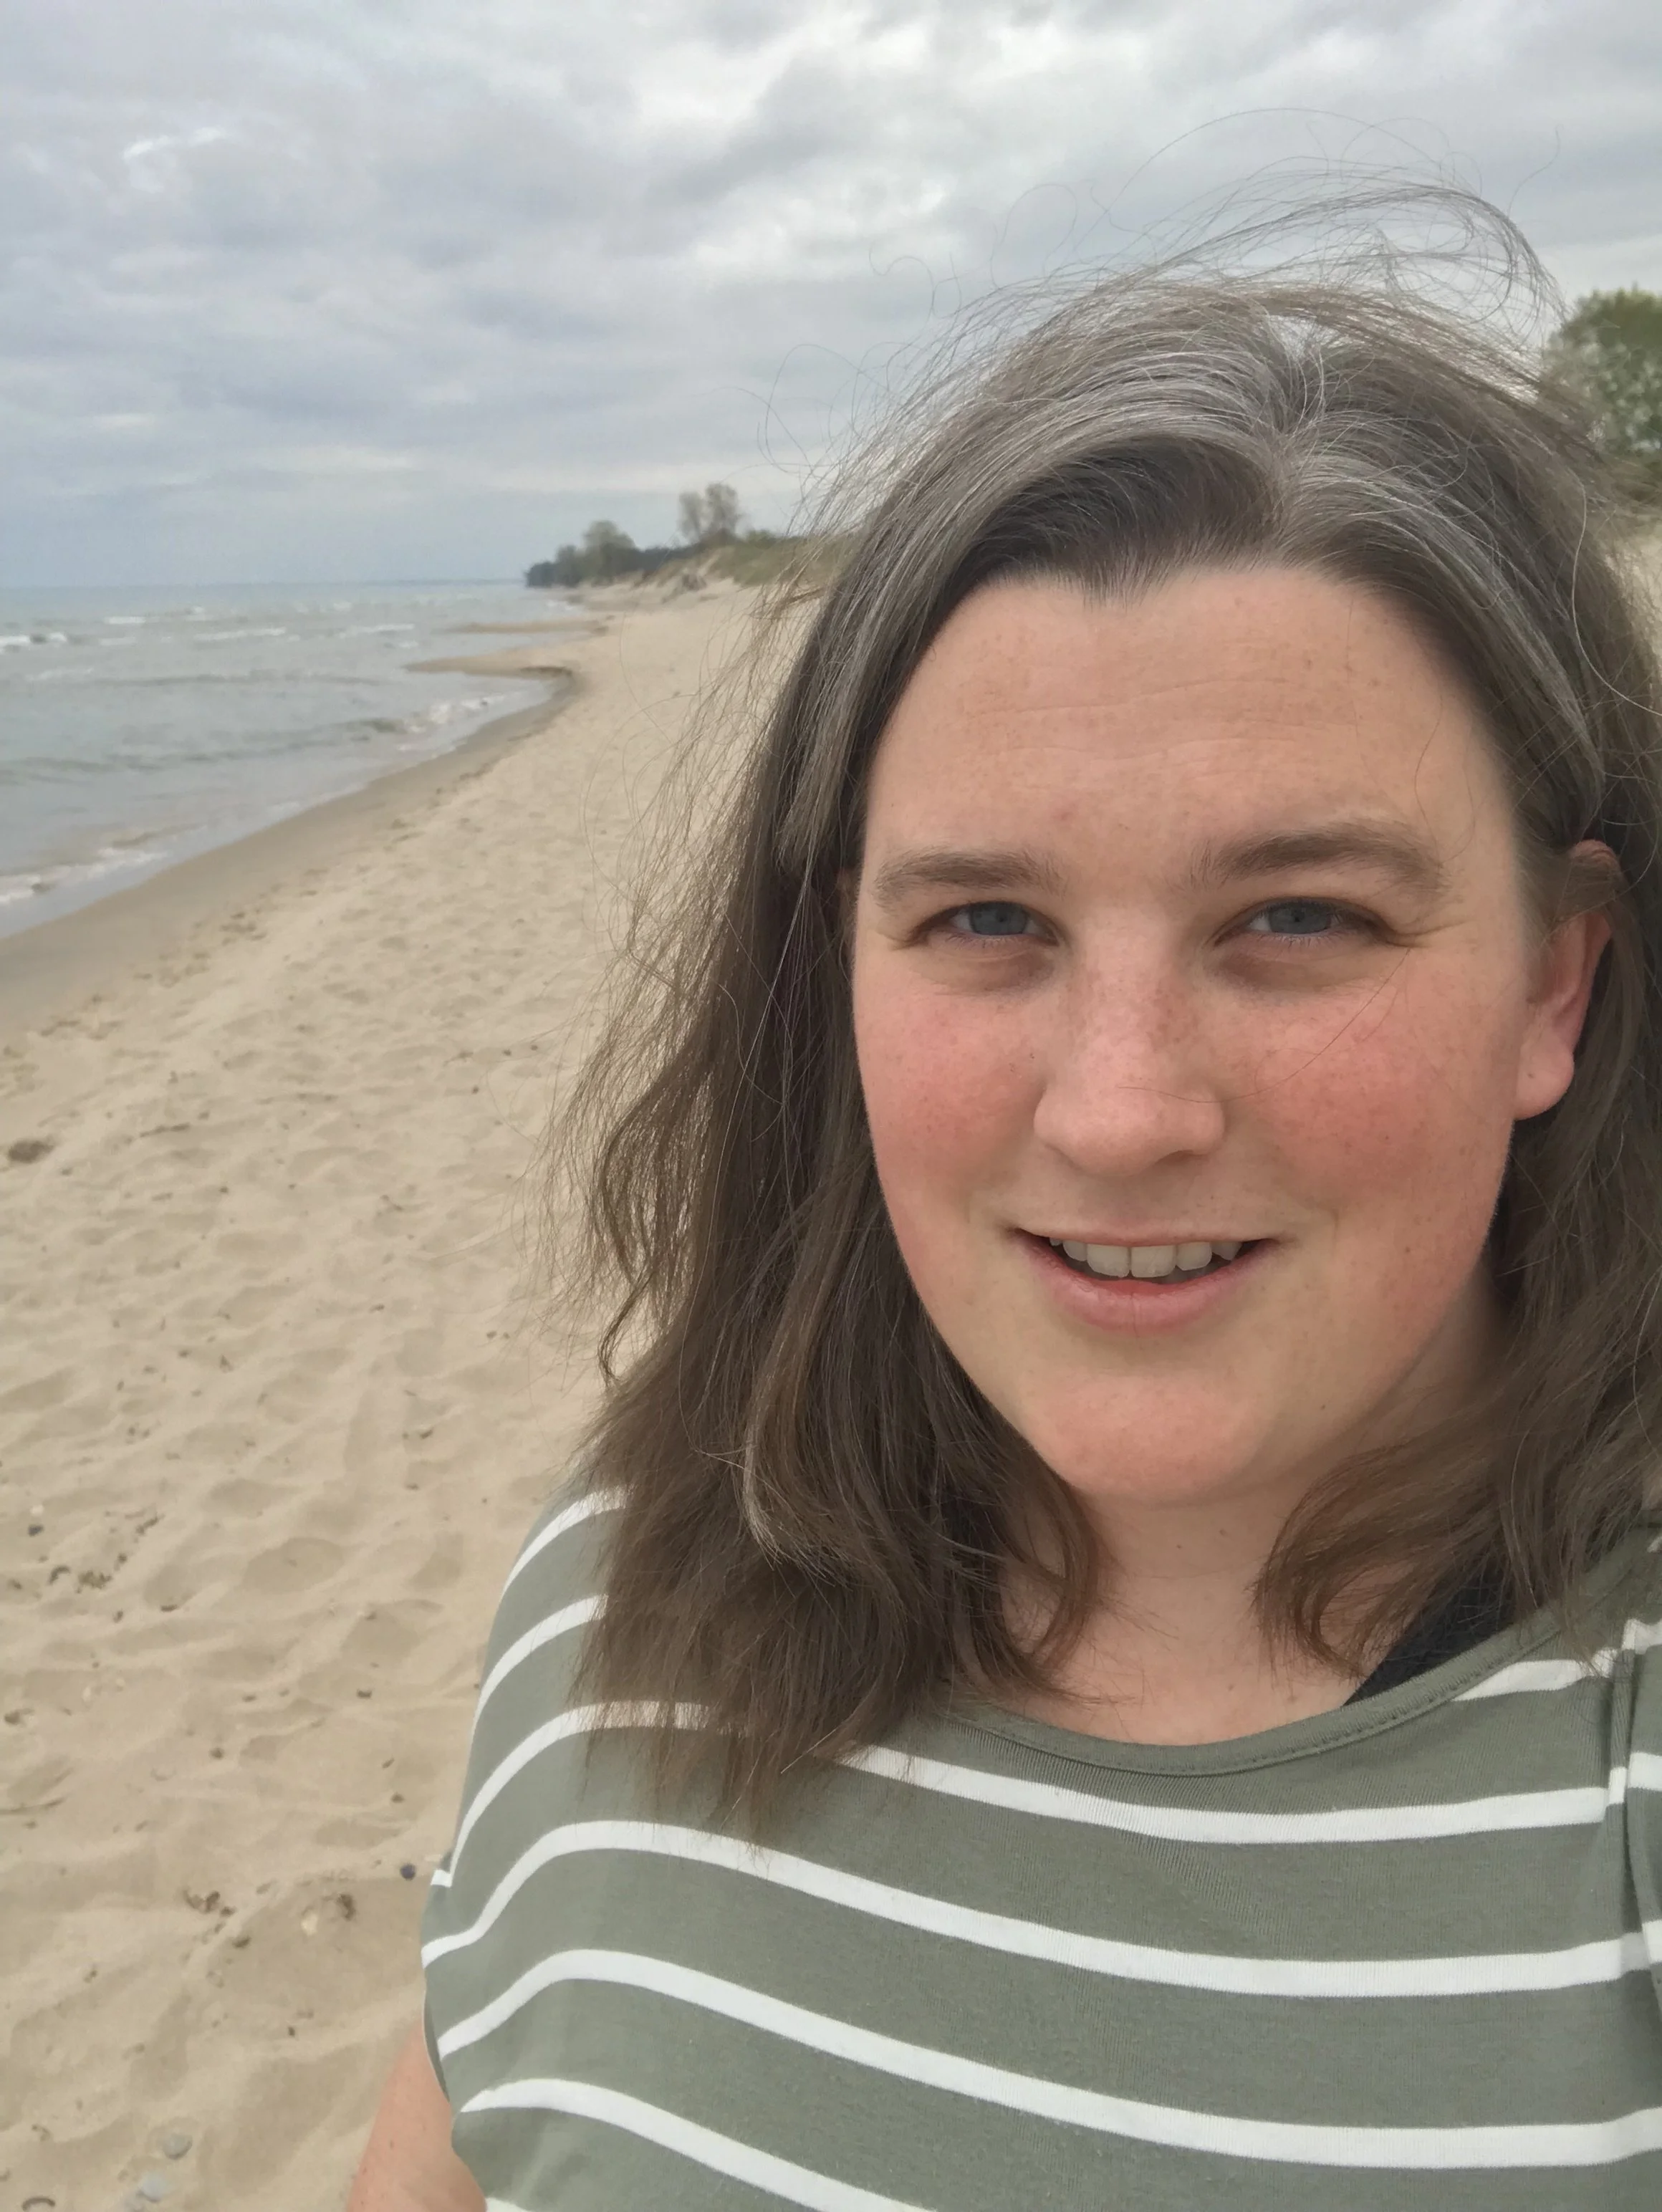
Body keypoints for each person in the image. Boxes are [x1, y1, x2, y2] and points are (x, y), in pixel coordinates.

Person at [350, 201, 1662, 2211]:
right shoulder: (636, 1576)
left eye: (1299, 918)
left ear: (1554, 984)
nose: (1123, 1109)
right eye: (985, 920)